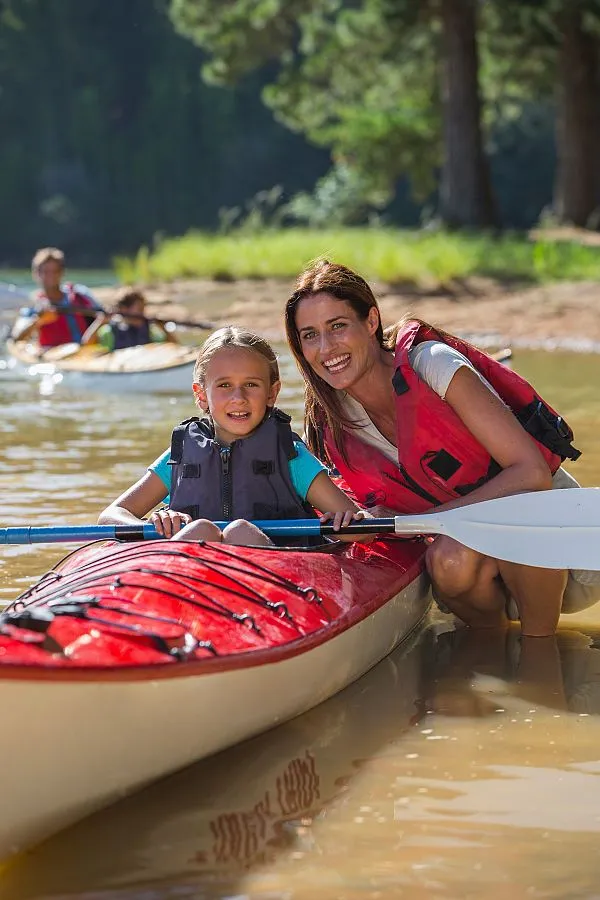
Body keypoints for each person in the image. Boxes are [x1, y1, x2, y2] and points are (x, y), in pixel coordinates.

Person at [284, 259, 600, 637]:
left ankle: (540, 650)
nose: (326, 347)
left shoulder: (431, 364)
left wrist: (424, 519)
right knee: (448, 560)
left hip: (566, 555)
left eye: (337, 326)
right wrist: (362, 523)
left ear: (371, 321)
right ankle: (492, 649)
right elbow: (371, 507)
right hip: (477, 561)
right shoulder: (330, 418)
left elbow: (531, 474)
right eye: (310, 335)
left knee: (512, 527)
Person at [98, 325, 369, 546]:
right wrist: (153, 524)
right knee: (200, 530)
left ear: (272, 393)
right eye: (225, 385)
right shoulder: (179, 457)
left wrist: (348, 524)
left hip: (273, 578)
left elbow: (362, 528)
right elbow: (111, 516)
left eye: (251, 384)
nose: (239, 397)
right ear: (201, 395)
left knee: (240, 532)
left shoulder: (291, 457)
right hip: (190, 572)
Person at [12, 247, 104, 348]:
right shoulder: (32, 303)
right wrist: (39, 321)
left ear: (62, 272)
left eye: (55, 271)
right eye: (46, 271)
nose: (51, 276)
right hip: (51, 352)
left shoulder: (80, 293)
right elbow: (17, 337)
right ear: (36, 274)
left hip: (84, 349)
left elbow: (102, 313)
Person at [82, 287, 177, 352]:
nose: (143, 313)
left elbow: (175, 346)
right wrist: (100, 322)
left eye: (143, 309)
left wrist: (163, 328)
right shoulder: (110, 331)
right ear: (124, 309)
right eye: (140, 309)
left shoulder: (151, 330)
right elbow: (85, 345)